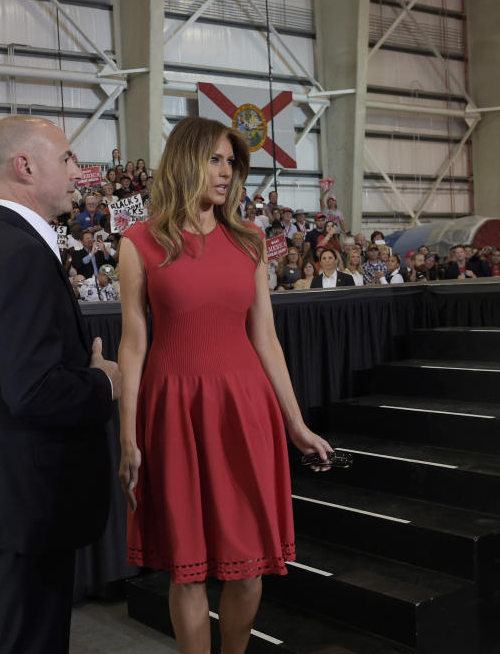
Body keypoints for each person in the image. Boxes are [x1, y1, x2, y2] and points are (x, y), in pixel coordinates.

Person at [117, 117, 332, 654]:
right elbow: (133, 345)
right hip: (173, 411)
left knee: (249, 565)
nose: (226, 171)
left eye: (231, 161)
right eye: (215, 158)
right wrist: (128, 438)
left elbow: (266, 338)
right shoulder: (140, 242)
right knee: (186, 571)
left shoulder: (251, 240)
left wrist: (296, 424)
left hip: (244, 409)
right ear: (187, 161)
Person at [0, 115, 120, 654]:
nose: (77, 172)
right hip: (25, 501)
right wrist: (105, 382)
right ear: (25, 166)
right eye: (66, 159)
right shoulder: (21, 257)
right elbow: (34, 391)